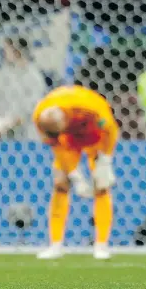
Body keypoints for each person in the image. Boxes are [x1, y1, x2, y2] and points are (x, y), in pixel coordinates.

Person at [32, 85, 119, 260]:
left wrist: (106, 160)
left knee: (101, 185)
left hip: (94, 136)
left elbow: (110, 130)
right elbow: (56, 144)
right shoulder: (40, 118)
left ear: (65, 118)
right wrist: (75, 176)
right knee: (60, 184)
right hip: (68, 142)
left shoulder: (92, 109)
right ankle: (55, 245)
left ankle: (101, 245)